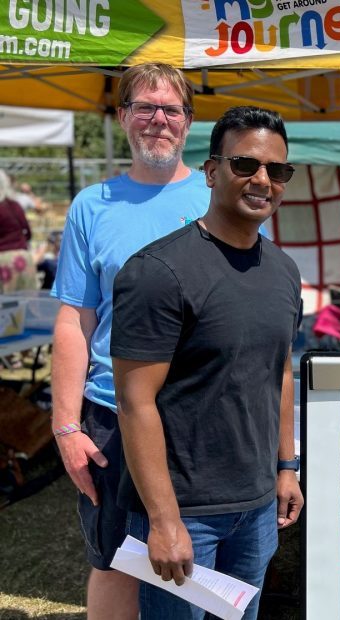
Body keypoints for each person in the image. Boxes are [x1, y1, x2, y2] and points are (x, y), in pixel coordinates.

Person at [110, 105, 302, 619]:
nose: (263, 180)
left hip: (257, 508)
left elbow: (279, 369)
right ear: (212, 171)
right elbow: (134, 402)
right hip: (186, 514)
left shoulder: (284, 271)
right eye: (246, 165)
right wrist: (163, 518)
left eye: (277, 170)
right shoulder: (157, 272)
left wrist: (286, 467)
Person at [50, 62, 210, 620]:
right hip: (111, 416)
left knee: (200, 560)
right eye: (144, 107)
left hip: (198, 416)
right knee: (116, 562)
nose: (158, 120)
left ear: (189, 122)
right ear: (123, 118)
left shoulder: (225, 198)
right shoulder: (91, 206)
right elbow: (75, 320)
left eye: (171, 109)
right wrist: (66, 425)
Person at [0, 170, 38, 293]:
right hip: (22, 258)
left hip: (3, 259)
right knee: (25, 303)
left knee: (5, 306)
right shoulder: (14, 205)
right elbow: (27, 231)